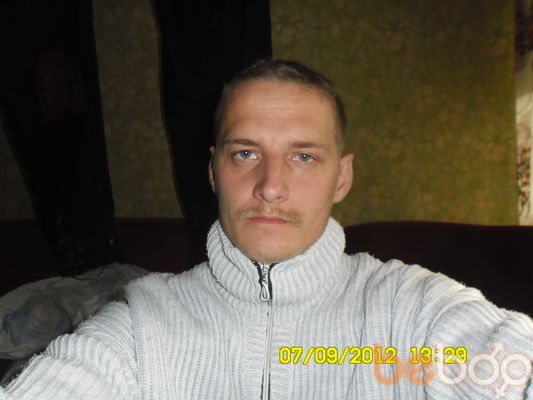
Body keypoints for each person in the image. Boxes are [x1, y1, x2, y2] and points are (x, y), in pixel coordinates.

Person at [1, 60, 532, 399]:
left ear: (342, 177)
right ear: (214, 171)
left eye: (303, 156)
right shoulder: (141, 326)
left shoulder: (411, 311)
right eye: (246, 153)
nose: (271, 187)